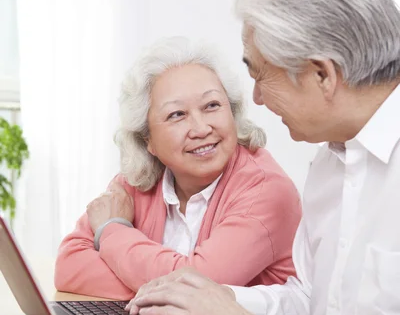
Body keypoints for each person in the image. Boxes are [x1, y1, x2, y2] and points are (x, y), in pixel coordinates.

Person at [126, 0, 400, 315]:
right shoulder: (330, 164)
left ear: (321, 75)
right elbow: (313, 302)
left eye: (260, 75)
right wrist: (216, 301)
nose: (254, 99)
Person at [55, 37, 301, 299]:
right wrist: (162, 291)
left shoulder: (267, 190)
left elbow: (198, 287)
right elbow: (69, 266)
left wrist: (112, 230)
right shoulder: (138, 178)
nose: (201, 128)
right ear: (147, 139)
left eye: (212, 106)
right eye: (177, 115)